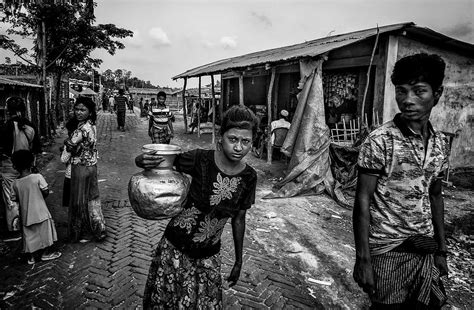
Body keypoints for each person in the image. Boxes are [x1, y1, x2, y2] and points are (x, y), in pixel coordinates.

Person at [352, 53, 450, 309]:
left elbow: (435, 196)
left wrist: (441, 250)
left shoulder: (440, 144)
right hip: (388, 249)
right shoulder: (380, 141)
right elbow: (362, 200)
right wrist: (363, 259)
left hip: (425, 247)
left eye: (419, 92)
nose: (407, 100)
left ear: (436, 94)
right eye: (402, 91)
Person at [136, 105, 258, 309]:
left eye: (245, 141)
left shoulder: (249, 177)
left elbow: (239, 218)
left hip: (208, 257)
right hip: (175, 250)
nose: (238, 147)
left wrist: (238, 261)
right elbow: (162, 162)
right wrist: (141, 161)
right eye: (233, 139)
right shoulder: (200, 159)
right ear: (221, 137)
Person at [64, 97, 106, 243]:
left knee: (79, 201)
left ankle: (81, 232)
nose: (79, 112)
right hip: (92, 165)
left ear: (89, 112)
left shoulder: (80, 130)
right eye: (77, 109)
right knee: (92, 199)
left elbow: (68, 148)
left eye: (83, 110)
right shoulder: (92, 125)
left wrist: (67, 144)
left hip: (80, 167)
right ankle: (98, 228)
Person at [0, 97, 41, 242]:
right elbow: (36, 149)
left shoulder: (6, 127)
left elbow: (3, 149)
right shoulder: (30, 126)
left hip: (9, 166)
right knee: (27, 197)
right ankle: (30, 225)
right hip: (27, 168)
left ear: (8, 110)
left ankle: (15, 230)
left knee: (11, 199)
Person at [10, 150, 61, 264]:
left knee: (29, 235)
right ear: (31, 163)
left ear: (15, 166)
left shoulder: (15, 183)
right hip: (41, 211)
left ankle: (31, 257)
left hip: (26, 214)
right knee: (45, 233)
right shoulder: (37, 177)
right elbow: (46, 191)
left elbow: (14, 198)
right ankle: (46, 253)